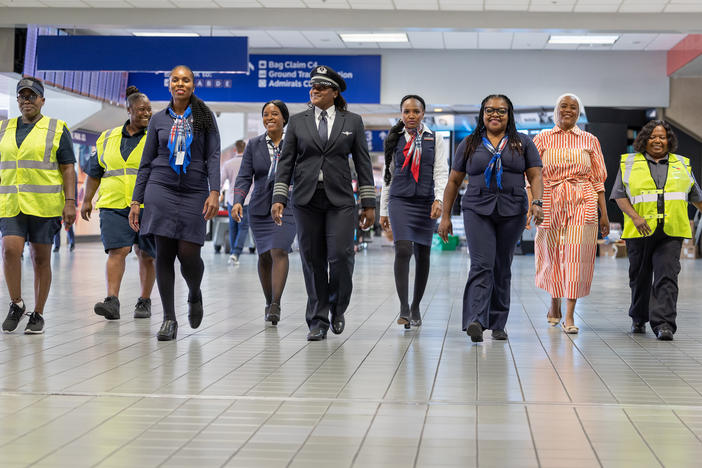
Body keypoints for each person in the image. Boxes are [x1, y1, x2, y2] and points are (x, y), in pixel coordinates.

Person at [271, 65, 376, 341]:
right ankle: (318, 319)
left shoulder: (351, 121)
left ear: (334, 92)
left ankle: (337, 307)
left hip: (340, 199)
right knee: (312, 259)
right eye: (312, 86)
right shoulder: (297, 121)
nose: (314, 90)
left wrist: (369, 203)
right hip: (306, 199)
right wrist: (279, 197)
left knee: (341, 256)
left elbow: (363, 164)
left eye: (321, 86)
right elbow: (286, 163)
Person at [438, 94, 543, 342]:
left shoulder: (523, 143)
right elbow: (453, 181)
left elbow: (536, 176)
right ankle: (475, 319)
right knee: (481, 264)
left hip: (513, 210)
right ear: (482, 114)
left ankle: (498, 323)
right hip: (476, 209)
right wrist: (445, 216)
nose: (495, 115)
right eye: (489, 110)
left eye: (501, 111)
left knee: (501, 266)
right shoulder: (469, 144)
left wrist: (537, 202)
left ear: (510, 115)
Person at [129, 65, 220, 341]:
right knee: (164, 253)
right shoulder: (158, 119)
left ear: (193, 85)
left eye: (186, 80)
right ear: (169, 85)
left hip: (193, 189)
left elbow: (213, 156)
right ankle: (169, 318)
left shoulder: (205, 117)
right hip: (160, 188)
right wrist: (136, 200)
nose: (180, 84)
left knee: (189, 253)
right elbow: (145, 163)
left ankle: (194, 292)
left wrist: (214, 191)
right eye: (175, 80)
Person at [611, 120, 702, 341]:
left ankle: (664, 325)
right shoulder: (630, 163)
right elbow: (619, 195)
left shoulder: (682, 165)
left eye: (662, 137)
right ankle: (639, 318)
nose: (658, 141)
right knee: (639, 277)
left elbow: (696, 197)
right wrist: (635, 217)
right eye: (653, 137)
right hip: (639, 231)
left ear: (669, 140)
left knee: (667, 276)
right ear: (645, 140)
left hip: (671, 232)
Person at [0, 77, 77, 334]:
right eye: (21, 96)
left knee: (40, 258)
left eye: (31, 96)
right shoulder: (4, 129)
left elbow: (68, 168)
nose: (26, 100)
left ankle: (38, 314)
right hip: (12, 204)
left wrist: (70, 202)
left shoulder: (57, 128)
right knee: (10, 250)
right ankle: (17, 303)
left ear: (42, 100)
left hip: (45, 205)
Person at [533, 94, 609, 334]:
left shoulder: (590, 140)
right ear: (555, 111)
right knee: (551, 252)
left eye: (573, 107)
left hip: (582, 200)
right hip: (550, 200)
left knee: (576, 255)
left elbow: (598, 180)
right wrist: (531, 205)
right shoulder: (542, 138)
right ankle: (554, 301)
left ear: (579, 112)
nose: (568, 110)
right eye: (563, 106)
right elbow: (532, 177)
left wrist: (604, 214)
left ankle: (569, 315)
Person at [81, 86, 156, 321]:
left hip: (147, 205)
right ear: (129, 110)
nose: (147, 113)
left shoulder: (157, 137)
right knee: (118, 250)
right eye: (141, 109)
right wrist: (86, 200)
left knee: (145, 254)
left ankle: (144, 300)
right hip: (113, 204)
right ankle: (112, 300)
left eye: (149, 110)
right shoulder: (106, 138)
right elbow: (94, 173)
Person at [380, 95, 448, 329]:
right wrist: (383, 210)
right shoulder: (394, 139)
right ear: (401, 113)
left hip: (425, 202)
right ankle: (403, 307)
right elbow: (387, 176)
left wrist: (439, 199)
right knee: (403, 249)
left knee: (423, 254)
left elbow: (441, 172)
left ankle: (416, 305)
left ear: (423, 114)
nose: (411, 116)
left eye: (416, 112)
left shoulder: (435, 138)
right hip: (399, 201)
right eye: (407, 111)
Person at [232, 100, 296, 326]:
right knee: (264, 255)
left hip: (288, 205)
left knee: (279, 250)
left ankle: (276, 304)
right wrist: (238, 200)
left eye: (275, 114)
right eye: (266, 114)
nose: (270, 118)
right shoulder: (254, 144)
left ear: (284, 118)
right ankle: (268, 301)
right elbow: (244, 175)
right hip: (259, 207)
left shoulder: (294, 142)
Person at [220, 139, 251, 263]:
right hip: (247, 199)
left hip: (232, 200)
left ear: (235, 149)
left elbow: (220, 182)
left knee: (233, 227)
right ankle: (236, 253)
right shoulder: (250, 163)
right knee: (243, 227)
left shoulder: (228, 164)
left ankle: (233, 253)